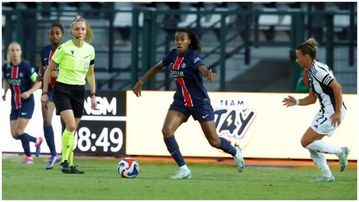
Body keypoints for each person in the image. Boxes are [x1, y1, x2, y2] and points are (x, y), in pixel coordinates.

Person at [132, 28, 245, 179]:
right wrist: (141, 81)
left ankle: (235, 151)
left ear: (189, 41)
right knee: (167, 131)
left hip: (199, 102)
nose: (179, 41)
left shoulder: (193, 56)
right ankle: (183, 169)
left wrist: (208, 74)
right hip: (181, 102)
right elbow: (158, 66)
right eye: (177, 38)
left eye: (182, 39)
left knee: (214, 141)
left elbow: (202, 68)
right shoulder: (172, 55)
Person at [282, 38, 349, 182]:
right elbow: (312, 99)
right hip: (326, 111)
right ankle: (327, 176)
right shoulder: (312, 71)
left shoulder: (318, 71)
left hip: (332, 111)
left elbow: (337, 87)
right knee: (310, 144)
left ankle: (340, 152)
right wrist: (297, 102)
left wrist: (337, 112)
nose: (296, 60)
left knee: (305, 141)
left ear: (306, 56)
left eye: (298, 57)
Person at [41, 15, 97, 174]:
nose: (80, 31)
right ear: (72, 31)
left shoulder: (90, 50)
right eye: (77, 29)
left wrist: (93, 95)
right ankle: (64, 161)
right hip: (62, 90)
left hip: (79, 91)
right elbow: (48, 71)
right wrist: (45, 93)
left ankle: (71, 164)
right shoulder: (63, 48)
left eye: (83, 29)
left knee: (73, 130)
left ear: (86, 31)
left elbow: (91, 74)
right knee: (71, 126)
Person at [2, 42, 43, 164]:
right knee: (14, 135)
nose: (15, 53)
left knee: (19, 131)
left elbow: (38, 82)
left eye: (17, 50)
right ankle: (36, 140)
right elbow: (7, 80)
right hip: (14, 104)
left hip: (27, 103)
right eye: (12, 50)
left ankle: (28, 157)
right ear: (9, 52)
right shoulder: (6, 67)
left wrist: (29, 92)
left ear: (21, 52)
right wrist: (5, 92)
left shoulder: (26, 67)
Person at [39, 22, 65, 169]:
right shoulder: (44, 51)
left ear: (62, 35)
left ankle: (65, 155)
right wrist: (40, 75)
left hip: (63, 90)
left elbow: (72, 70)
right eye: (51, 33)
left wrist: (58, 73)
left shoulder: (67, 50)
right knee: (47, 122)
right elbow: (41, 68)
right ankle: (54, 154)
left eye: (57, 33)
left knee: (64, 123)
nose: (54, 36)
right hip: (48, 90)